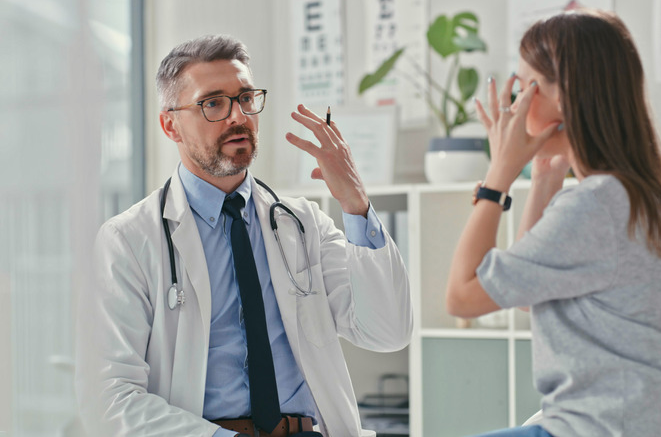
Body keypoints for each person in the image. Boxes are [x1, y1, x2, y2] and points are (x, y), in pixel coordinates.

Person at [75, 34, 412, 437]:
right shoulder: (128, 241)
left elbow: (388, 331)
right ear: (171, 125)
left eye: (246, 98)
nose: (238, 116)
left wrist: (356, 205)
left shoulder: (303, 223)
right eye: (213, 102)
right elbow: (109, 398)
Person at [445, 9, 661, 437]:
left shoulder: (596, 206)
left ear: (565, 96)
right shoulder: (650, 194)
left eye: (523, 88)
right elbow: (525, 294)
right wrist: (544, 175)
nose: (514, 106)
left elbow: (463, 296)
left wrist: (498, 175)